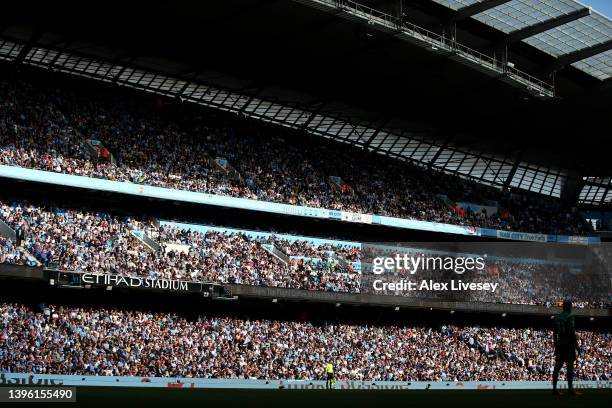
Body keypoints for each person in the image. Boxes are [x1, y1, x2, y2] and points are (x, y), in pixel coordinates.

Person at [552, 300, 582, 396]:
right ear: (569, 307)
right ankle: (570, 389)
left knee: (557, 367)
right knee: (569, 367)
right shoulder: (570, 316)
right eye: (571, 306)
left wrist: (556, 345)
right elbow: (571, 332)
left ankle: (554, 389)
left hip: (560, 344)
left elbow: (554, 333)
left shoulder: (557, 317)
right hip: (569, 344)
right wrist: (577, 346)